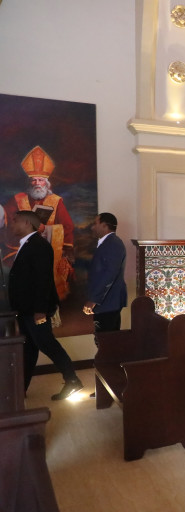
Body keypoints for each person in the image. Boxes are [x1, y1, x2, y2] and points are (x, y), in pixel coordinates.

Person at [8, 210, 82, 400]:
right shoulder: (29, 244)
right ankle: (20, 389)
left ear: (27, 223)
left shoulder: (38, 246)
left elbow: (43, 280)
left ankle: (72, 380)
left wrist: (40, 310)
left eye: (15, 221)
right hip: (26, 309)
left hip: (35, 310)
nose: (12, 224)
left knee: (47, 344)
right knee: (30, 348)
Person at [2, 146, 75, 300]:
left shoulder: (56, 201)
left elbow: (67, 227)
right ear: (29, 182)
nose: (37, 183)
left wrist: (46, 229)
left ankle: (47, 306)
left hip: (49, 249)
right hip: (21, 249)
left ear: (46, 183)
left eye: (40, 180)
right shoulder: (18, 199)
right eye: (33, 180)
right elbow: (7, 221)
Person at [83, 213, 127, 332]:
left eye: (95, 224)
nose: (92, 227)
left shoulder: (113, 243)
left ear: (104, 225)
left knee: (106, 339)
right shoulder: (108, 242)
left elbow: (110, 273)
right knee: (106, 339)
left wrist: (94, 299)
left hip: (108, 302)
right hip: (107, 302)